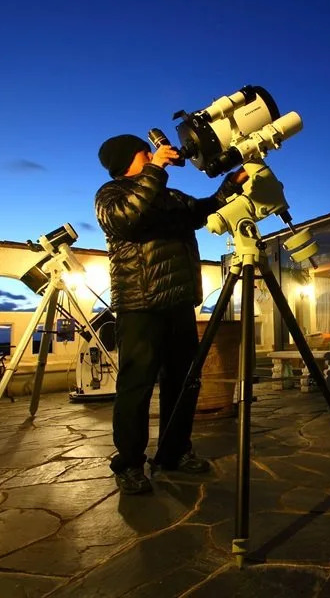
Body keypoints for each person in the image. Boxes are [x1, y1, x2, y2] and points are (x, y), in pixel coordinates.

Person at [95, 133, 247, 494]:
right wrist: (156, 169)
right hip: (139, 305)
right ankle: (129, 463)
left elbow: (201, 211)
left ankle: (173, 453)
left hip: (179, 303)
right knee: (136, 387)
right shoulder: (111, 195)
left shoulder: (167, 194)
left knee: (183, 383)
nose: (152, 155)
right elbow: (128, 218)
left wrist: (231, 183)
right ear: (128, 158)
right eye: (145, 153)